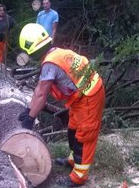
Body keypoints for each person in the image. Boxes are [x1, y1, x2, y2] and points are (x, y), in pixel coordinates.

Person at [18, 23, 105, 187]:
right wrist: (29, 110)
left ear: (30, 49)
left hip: (89, 95)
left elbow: (43, 94)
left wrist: (30, 119)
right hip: (80, 97)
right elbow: (39, 89)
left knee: (84, 136)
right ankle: (73, 160)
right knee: (72, 129)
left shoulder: (51, 62)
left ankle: (79, 176)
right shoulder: (54, 54)